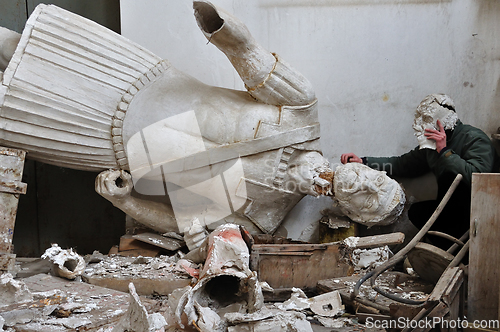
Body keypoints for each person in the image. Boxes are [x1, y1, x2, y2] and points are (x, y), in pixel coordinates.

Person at [341, 93, 498, 249]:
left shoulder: (474, 138)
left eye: (427, 119)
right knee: (418, 213)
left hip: (479, 206)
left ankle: (465, 255)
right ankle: (449, 253)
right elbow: (402, 164)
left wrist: (445, 151)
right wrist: (364, 162)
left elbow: (478, 177)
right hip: (451, 204)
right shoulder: (430, 146)